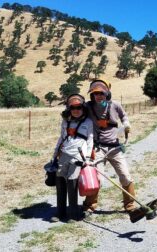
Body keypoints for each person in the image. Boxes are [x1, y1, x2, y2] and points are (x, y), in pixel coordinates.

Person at [83, 79, 137, 218]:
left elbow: (124, 117)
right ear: (92, 95)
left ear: (107, 93)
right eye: (96, 94)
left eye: (101, 93)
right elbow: (73, 110)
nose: (99, 96)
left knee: (125, 176)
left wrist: (126, 125)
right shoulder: (88, 107)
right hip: (98, 148)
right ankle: (89, 205)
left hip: (115, 148)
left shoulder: (115, 105)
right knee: (97, 179)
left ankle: (130, 205)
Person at [51, 94, 93, 222]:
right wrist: (54, 154)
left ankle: (73, 214)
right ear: (69, 108)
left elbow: (90, 141)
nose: (76, 110)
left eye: (79, 107)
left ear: (83, 108)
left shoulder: (88, 122)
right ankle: (60, 212)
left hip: (78, 157)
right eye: (73, 107)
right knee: (60, 182)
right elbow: (61, 137)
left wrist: (87, 158)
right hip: (64, 155)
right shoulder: (65, 121)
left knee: (72, 183)